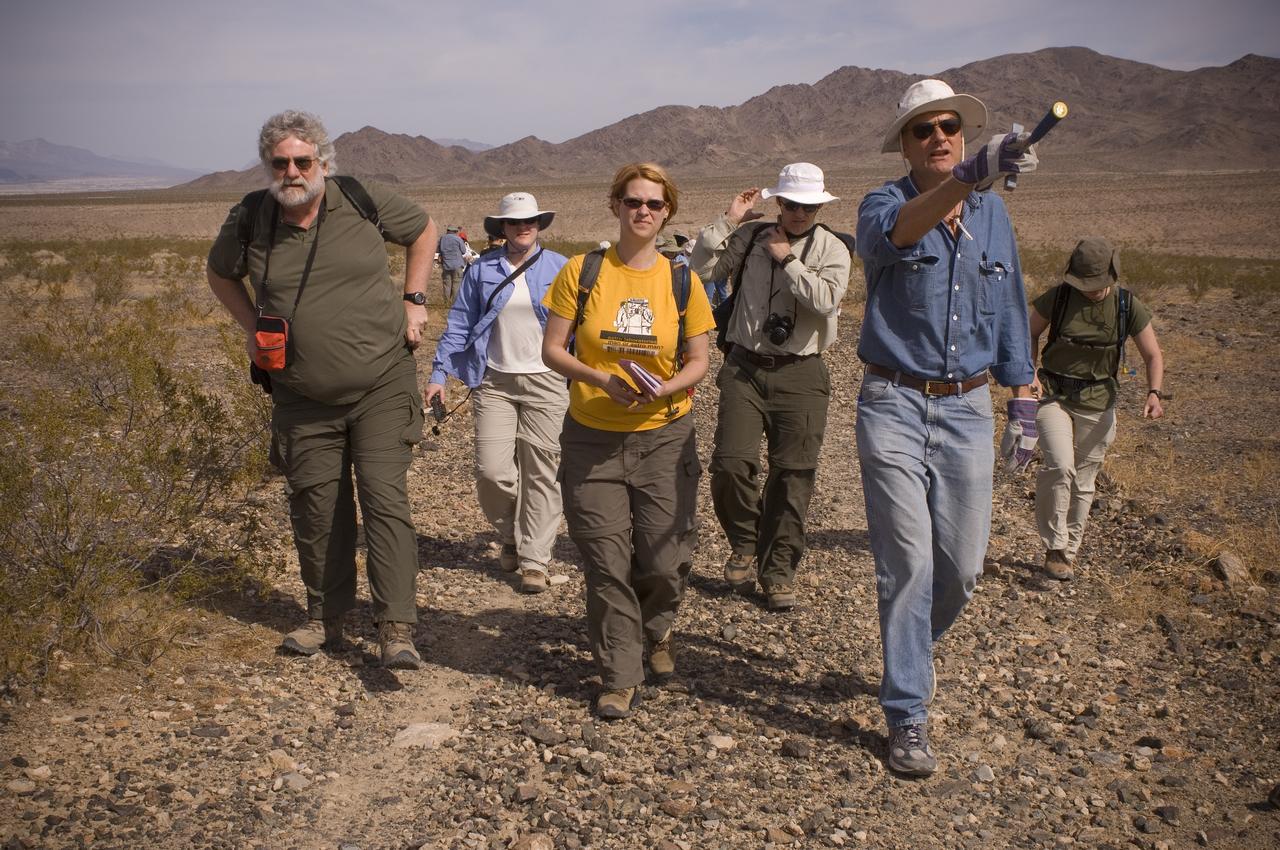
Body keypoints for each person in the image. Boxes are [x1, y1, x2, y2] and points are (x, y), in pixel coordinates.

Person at [206, 110, 437, 669]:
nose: (291, 171)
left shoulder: (360, 199)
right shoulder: (252, 218)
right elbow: (219, 274)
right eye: (280, 162)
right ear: (268, 166)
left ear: (323, 164)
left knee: (384, 501)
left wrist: (414, 299)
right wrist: (251, 330)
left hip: (380, 382)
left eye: (302, 161)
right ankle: (324, 619)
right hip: (301, 395)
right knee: (317, 508)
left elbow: (424, 231)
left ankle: (396, 627)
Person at [854, 79, 1039, 775]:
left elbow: (1011, 298)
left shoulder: (994, 217)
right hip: (893, 403)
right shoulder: (884, 203)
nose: (939, 136)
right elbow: (897, 237)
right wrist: (962, 183)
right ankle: (907, 712)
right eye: (924, 129)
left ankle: (908, 650)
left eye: (950, 128)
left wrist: (1022, 390)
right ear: (904, 144)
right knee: (909, 563)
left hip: (967, 408)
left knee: (960, 569)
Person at [541, 162, 715, 720]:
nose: (643, 212)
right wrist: (600, 380)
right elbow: (553, 350)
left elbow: (699, 361)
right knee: (606, 562)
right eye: (633, 201)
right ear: (615, 205)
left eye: (655, 205)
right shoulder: (581, 271)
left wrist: (662, 386)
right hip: (592, 440)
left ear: (668, 214)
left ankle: (656, 632)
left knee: (663, 562)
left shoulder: (682, 280)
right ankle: (620, 673)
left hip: (665, 436)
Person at [690, 163, 850, 611]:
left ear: (820, 206)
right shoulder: (751, 238)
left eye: (809, 205)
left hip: (802, 372)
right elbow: (701, 271)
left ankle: (778, 571)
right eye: (792, 204)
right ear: (778, 203)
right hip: (745, 367)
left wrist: (787, 258)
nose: (800, 212)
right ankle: (745, 540)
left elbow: (825, 300)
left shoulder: (832, 248)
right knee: (728, 465)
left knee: (792, 477)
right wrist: (729, 220)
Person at [425, 193, 570, 593]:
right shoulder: (482, 269)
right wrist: (439, 373)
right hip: (494, 381)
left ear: (539, 224)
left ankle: (534, 561)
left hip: (548, 381)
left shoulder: (562, 268)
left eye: (529, 221)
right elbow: (459, 321)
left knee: (542, 474)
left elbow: (582, 326)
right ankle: (510, 535)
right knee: (493, 472)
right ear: (502, 228)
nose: (522, 228)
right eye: (513, 222)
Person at [1029, 237, 1165, 580]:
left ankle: (1069, 552)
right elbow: (1027, 332)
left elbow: (1153, 355)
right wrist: (1029, 372)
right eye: (1084, 284)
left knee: (1084, 480)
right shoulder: (1059, 297)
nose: (1091, 291)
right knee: (1060, 467)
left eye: (1097, 284)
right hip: (1055, 394)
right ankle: (1055, 546)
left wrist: (1154, 393)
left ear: (1112, 274)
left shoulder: (1126, 305)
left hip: (1099, 400)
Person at [438, 226, 467, 305]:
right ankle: (454, 304)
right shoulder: (458, 239)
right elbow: (464, 251)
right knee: (456, 284)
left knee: (447, 285)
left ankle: (446, 303)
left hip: (446, 265)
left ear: (447, 231)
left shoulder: (442, 239)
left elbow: (438, 250)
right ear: (455, 231)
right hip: (457, 265)